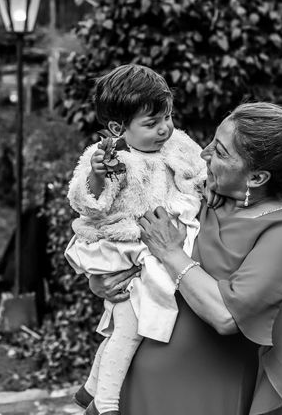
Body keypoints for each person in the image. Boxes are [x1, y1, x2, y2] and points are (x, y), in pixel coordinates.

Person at [88, 101, 282, 415]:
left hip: (204, 395)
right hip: (134, 386)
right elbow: (128, 245)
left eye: (220, 152)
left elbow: (227, 315)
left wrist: (170, 252)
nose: (204, 153)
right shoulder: (191, 197)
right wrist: (102, 280)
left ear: (257, 177)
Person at [65, 64, 207, 415]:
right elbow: (85, 202)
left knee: (121, 327)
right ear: (118, 128)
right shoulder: (110, 159)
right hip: (126, 250)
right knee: (128, 327)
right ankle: (106, 405)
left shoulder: (178, 145)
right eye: (152, 123)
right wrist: (98, 178)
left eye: (168, 117)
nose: (165, 128)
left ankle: (91, 389)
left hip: (157, 250)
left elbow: (201, 172)